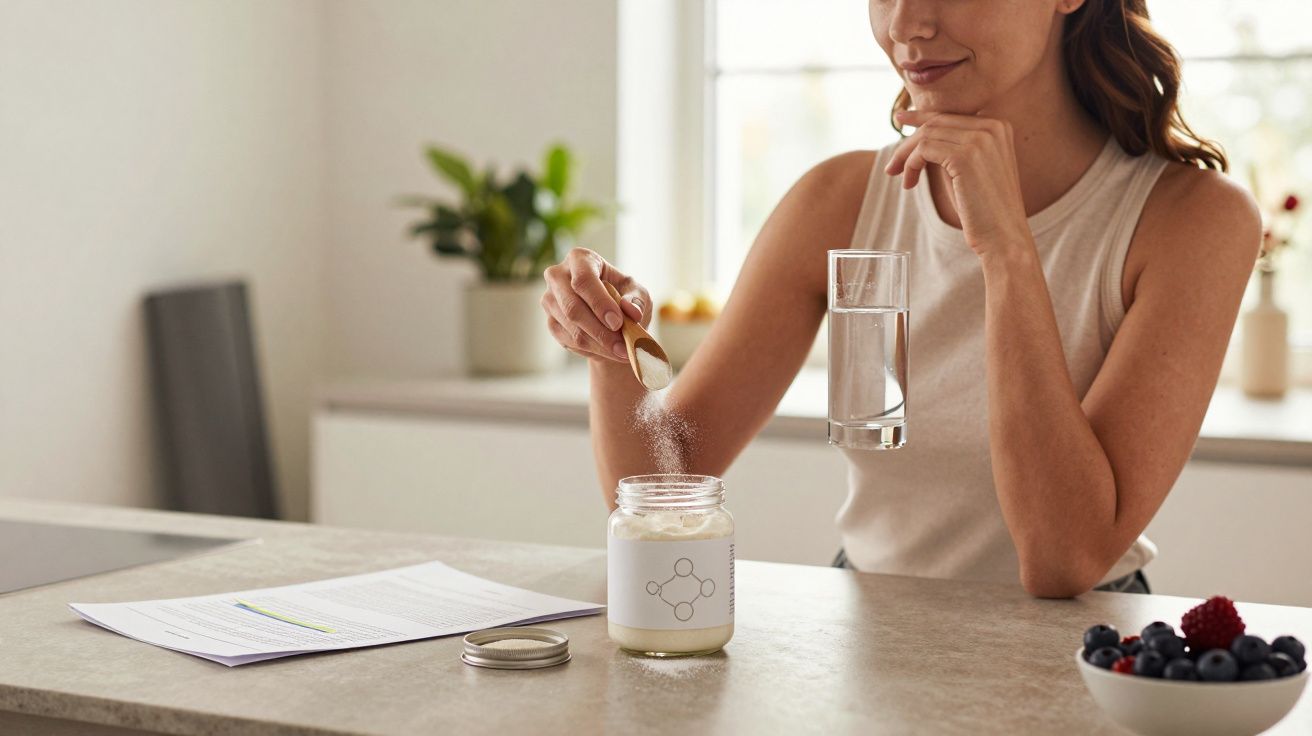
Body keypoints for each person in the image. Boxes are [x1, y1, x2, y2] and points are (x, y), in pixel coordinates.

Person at [539, 0, 1259, 597]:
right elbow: (663, 485)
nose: (907, 23)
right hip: (870, 628)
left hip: (1075, 645)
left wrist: (1007, 250)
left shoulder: (1193, 222)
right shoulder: (839, 202)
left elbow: (1063, 559)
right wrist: (609, 345)